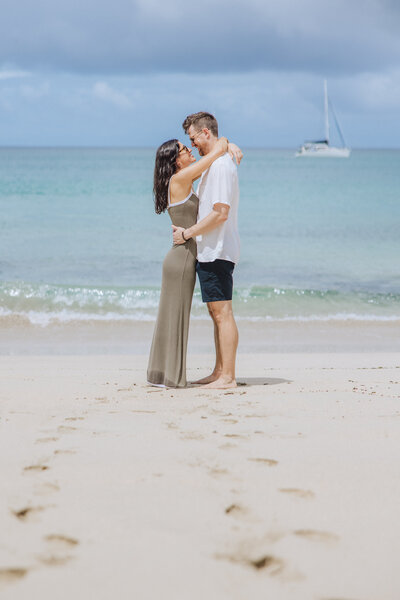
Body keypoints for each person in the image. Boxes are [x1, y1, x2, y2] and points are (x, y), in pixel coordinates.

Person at [147, 135, 241, 388]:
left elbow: (212, 162)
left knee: (174, 316)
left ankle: (163, 374)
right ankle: (170, 377)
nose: (191, 152)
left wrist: (227, 144)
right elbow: (211, 158)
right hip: (181, 257)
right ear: (175, 161)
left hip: (185, 255)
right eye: (185, 150)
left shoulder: (182, 178)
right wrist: (224, 145)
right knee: (175, 316)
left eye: (189, 146)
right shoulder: (180, 178)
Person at [172, 112, 240, 389]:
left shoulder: (222, 167)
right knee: (216, 313)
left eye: (193, 139)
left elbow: (220, 213)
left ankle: (228, 377)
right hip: (210, 249)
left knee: (223, 313)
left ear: (205, 134)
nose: (194, 146)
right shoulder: (213, 164)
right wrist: (228, 143)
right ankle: (219, 371)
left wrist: (188, 233)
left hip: (218, 249)